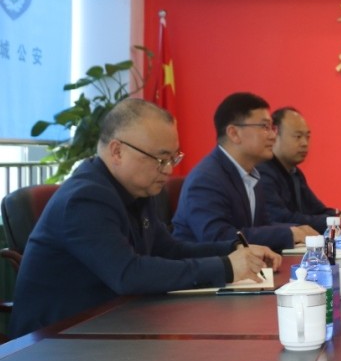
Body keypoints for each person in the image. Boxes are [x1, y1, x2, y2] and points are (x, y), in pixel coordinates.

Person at [9, 99, 280, 338]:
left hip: (110, 324)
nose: (168, 169)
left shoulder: (137, 189)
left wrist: (235, 249)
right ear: (117, 151)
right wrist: (227, 267)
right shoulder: (85, 199)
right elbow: (128, 274)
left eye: (173, 158)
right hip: (56, 342)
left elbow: (170, 250)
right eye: (160, 159)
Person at [173, 92, 317, 250]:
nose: (272, 136)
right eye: (265, 127)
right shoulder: (206, 179)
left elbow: (261, 227)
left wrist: (297, 229)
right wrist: (288, 234)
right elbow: (219, 237)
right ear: (234, 133)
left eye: (272, 128)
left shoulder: (251, 175)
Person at [257, 107, 341, 231]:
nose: (304, 143)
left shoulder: (295, 173)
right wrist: (338, 221)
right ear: (275, 134)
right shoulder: (263, 172)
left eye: (307, 137)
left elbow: (317, 210)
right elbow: (282, 218)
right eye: (298, 136)